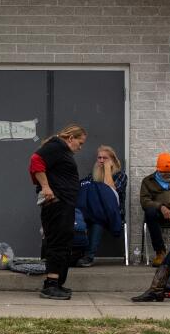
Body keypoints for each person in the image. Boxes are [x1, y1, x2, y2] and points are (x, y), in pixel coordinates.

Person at [29, 124, 87, 300]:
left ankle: (57, 283)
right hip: (57, 203)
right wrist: (46, 187)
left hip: (64, 203)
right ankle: (51, 285)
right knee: (57, 242)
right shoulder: (56, 146)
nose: (80, 147)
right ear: (71, 138)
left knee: (64, 241)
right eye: (80, 142)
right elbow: (35, 161)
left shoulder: (61, 149)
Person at [76, 145, 127, 267]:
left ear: (113, 160)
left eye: (105, 158)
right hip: (91, 212)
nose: (101, 161)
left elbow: (110, 191)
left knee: (97, 220)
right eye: (99, 158)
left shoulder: (121, 176)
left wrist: (108, 170)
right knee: (75, 217)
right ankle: (74, 254)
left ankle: (88, 256)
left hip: (112, 215)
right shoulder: (91, 176)